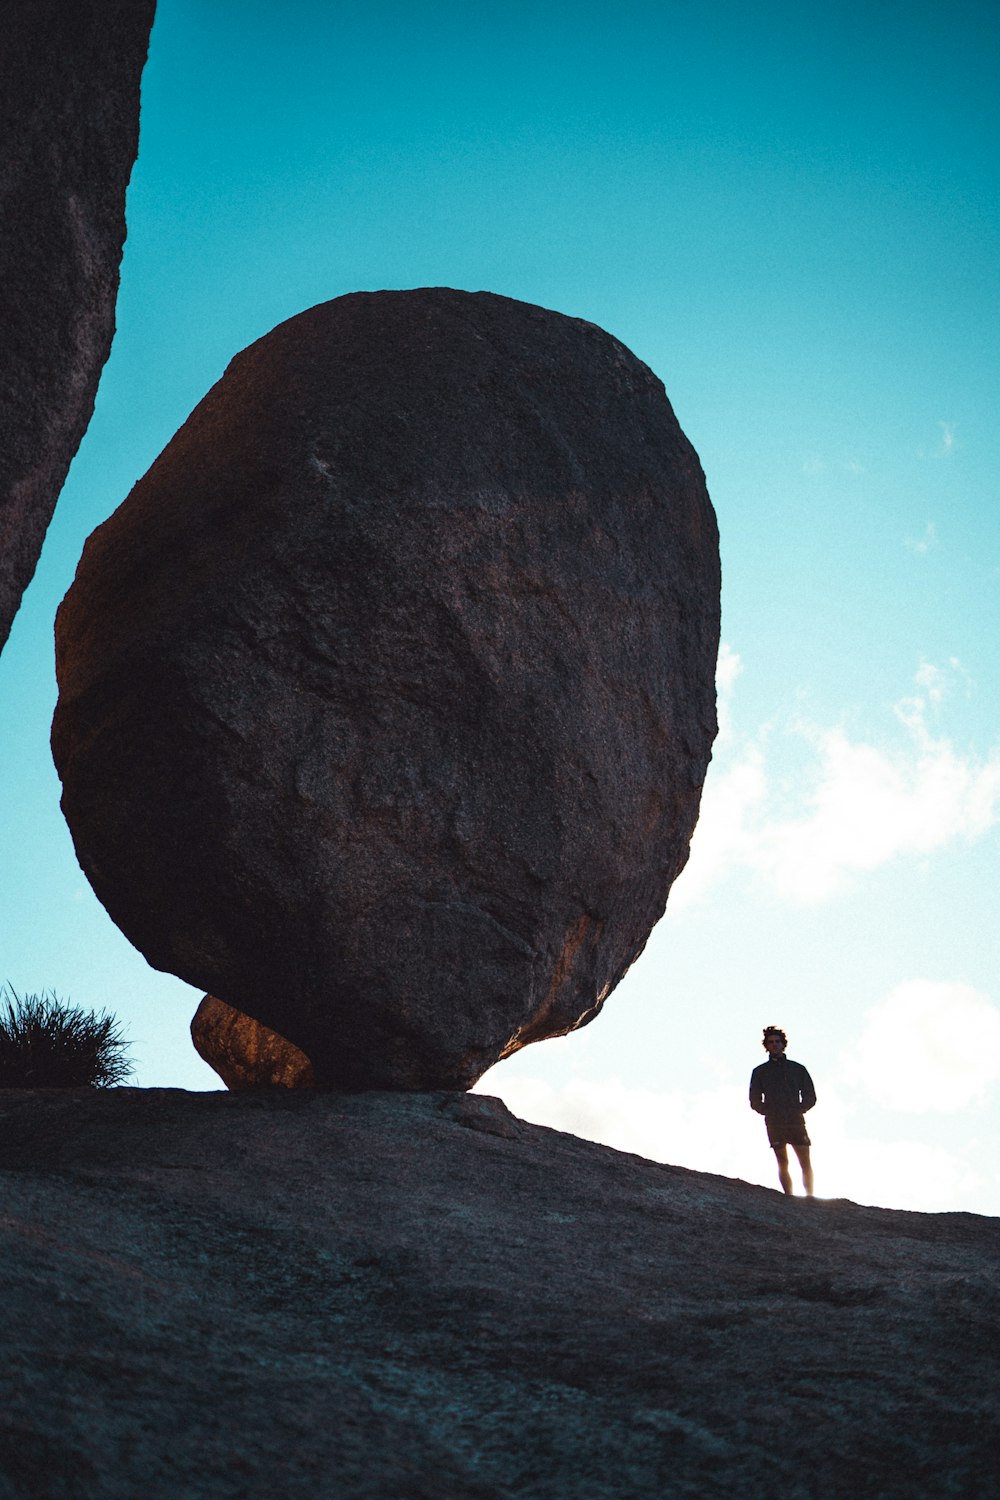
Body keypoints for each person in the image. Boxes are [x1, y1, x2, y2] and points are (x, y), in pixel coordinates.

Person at [749, 1026, 816, 1196]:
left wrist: (800, 1109)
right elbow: (754, 1099)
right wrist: (767, 1111)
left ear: (783, 1044)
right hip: (774, 1121)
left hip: (795, 1120)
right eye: (770, 1042)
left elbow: (810, 1095)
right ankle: (789, 1197)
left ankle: (810, 1197)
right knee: (782, 1162)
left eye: (777, 1042)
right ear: (766, 1046)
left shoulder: (797, 1069)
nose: (774, 1045)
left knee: (805, 1161)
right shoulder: (760, 1072)